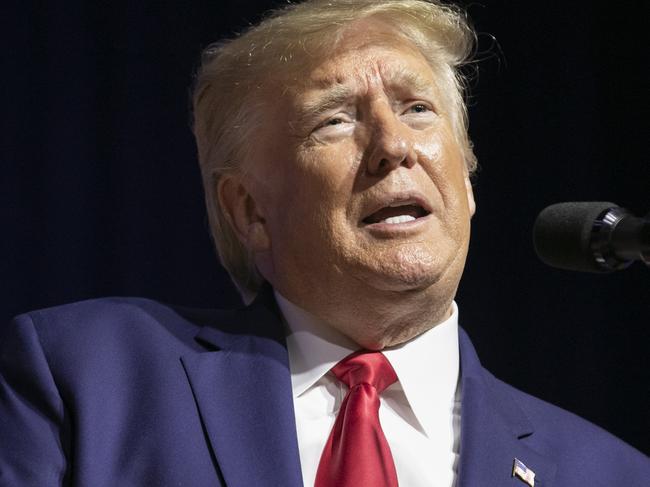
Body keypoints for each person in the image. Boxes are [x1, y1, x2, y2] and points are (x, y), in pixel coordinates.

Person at [0, 1, 647, 486]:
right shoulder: (84, 380)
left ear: (468, 179)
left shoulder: (610, 472)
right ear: (249, 209)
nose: (394, 147)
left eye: (418, 108)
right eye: (335, 119)